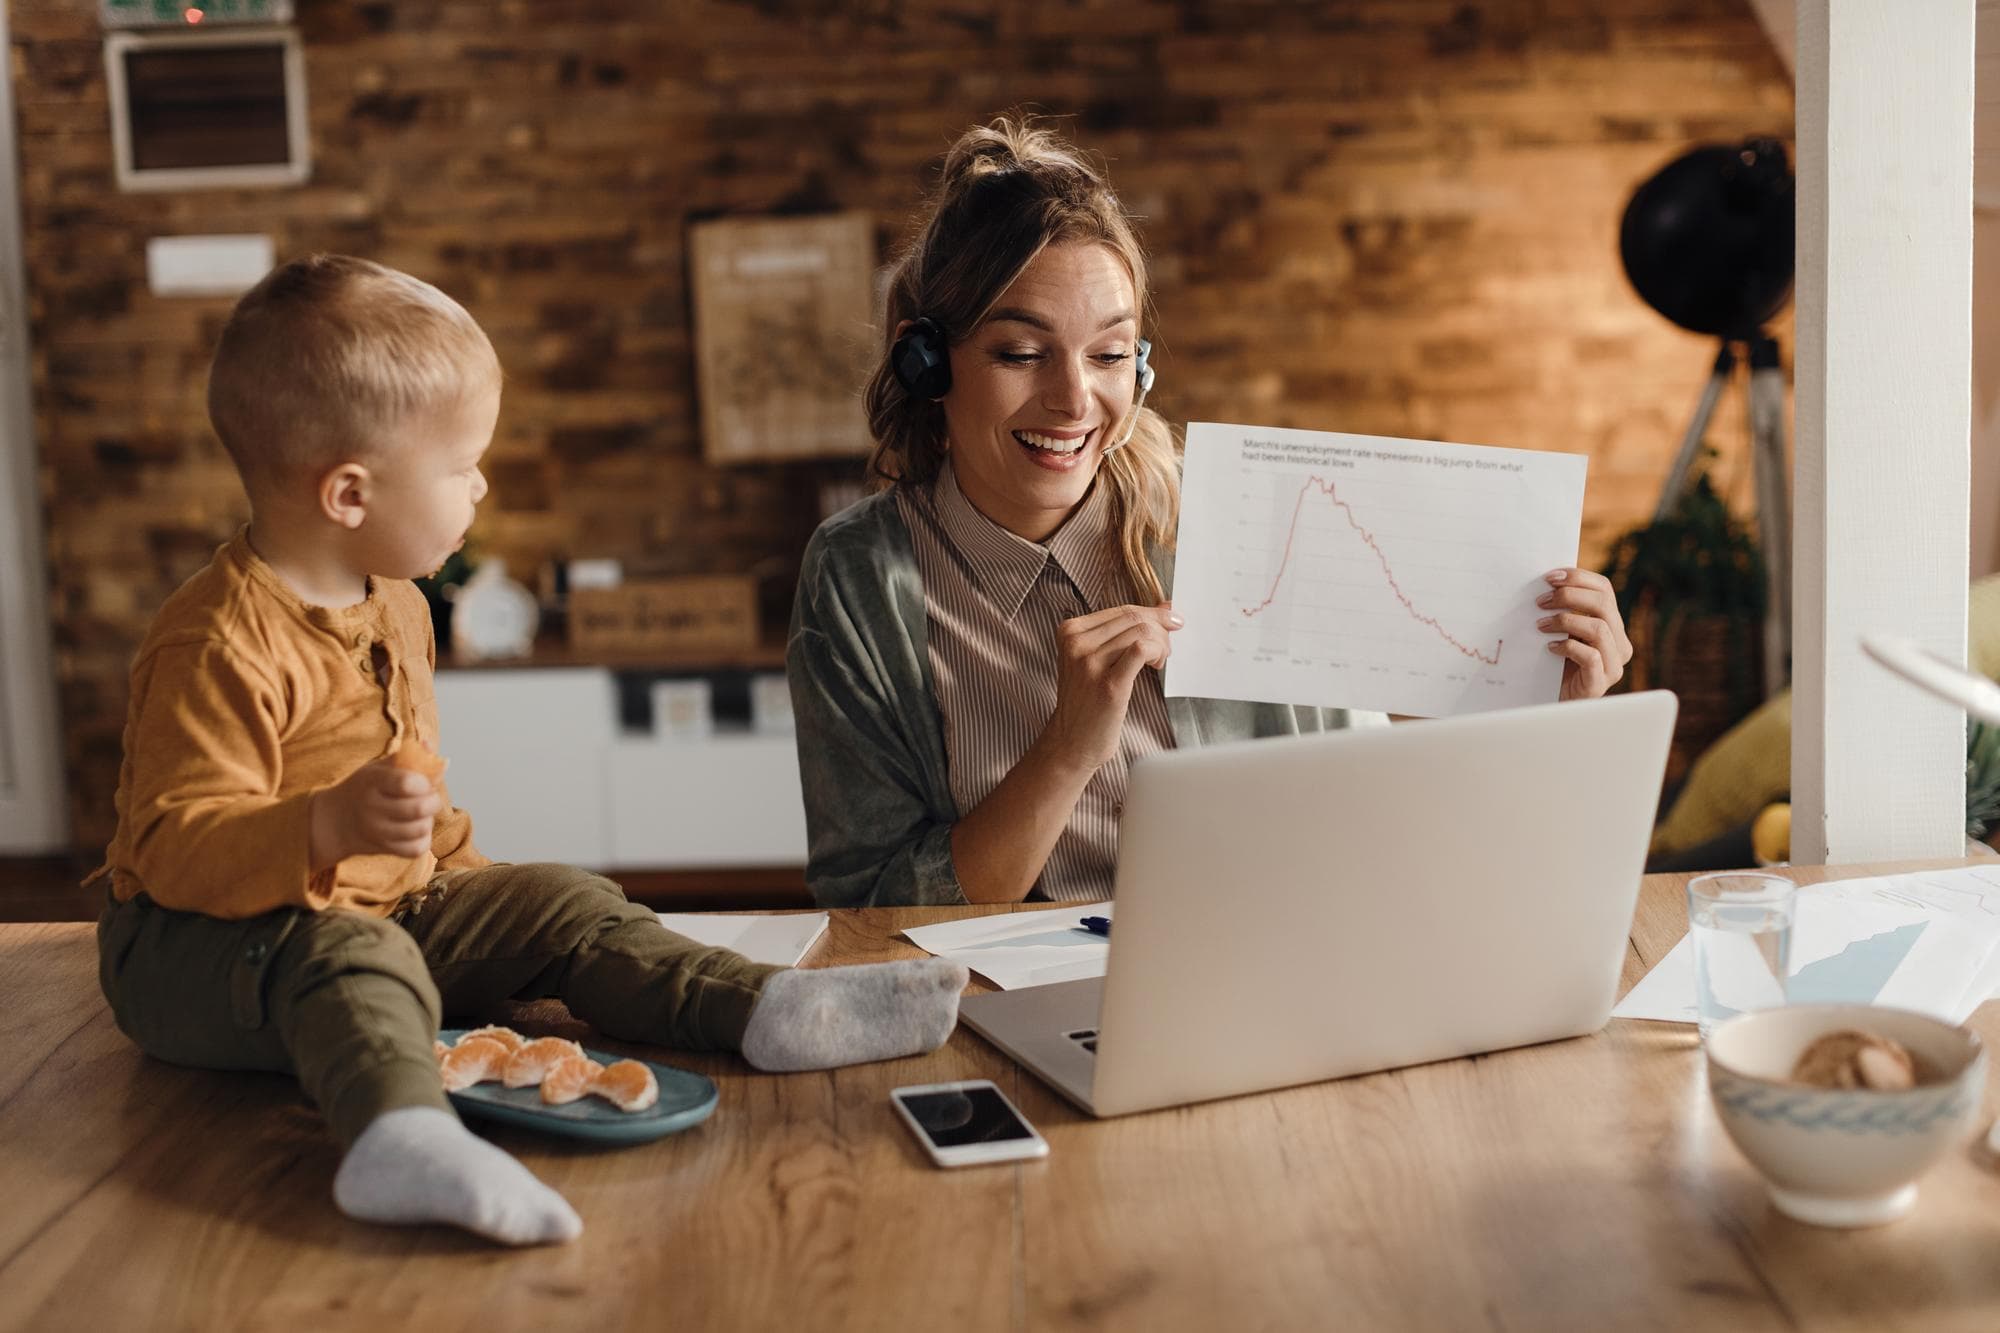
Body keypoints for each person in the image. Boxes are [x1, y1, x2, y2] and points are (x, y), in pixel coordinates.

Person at [90, 255, 967, 1249]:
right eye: (461, 465)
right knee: (351, 955)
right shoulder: (214, 640)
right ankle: (398, 1135)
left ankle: (760, 1008)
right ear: (347, 492)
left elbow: (416, 800)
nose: (481, 483)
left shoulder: (399, 603)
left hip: (382, 908)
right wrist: (326, 824)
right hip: (194, 947)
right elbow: (170, 845)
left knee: (560, 898)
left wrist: (480, 896)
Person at [788, 117, 1634, 909]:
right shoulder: (861, 577)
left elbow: (1384, 831)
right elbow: (872, 911)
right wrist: (1068, 748)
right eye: (1020, 352)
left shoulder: (1247, 527)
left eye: (1111, 354)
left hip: (1264, 964)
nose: (1075, 399)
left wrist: (1550, 717)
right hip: (1005, 1005)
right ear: (929, 362)